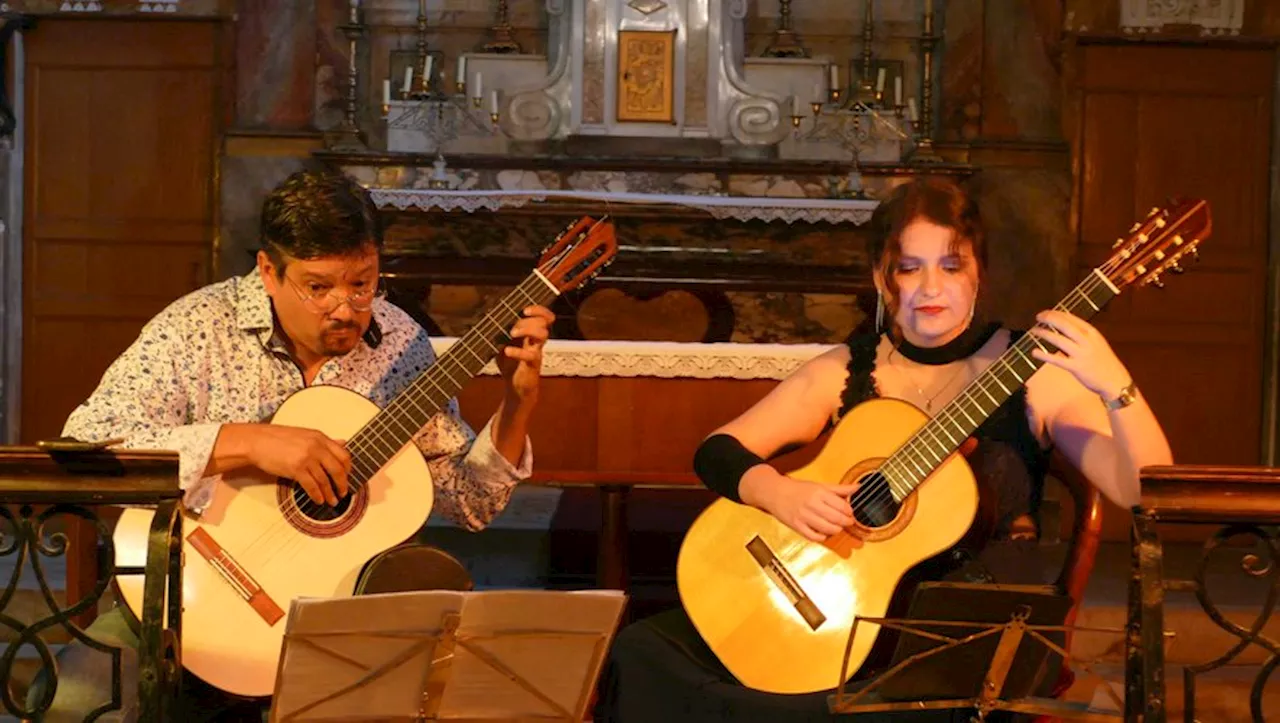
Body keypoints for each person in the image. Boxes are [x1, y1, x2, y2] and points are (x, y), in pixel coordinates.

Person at [593, 176, 1173, 722]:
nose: (931, 288)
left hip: (955, 636)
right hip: (835, 612)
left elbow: (1146, 490)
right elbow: (718, 452)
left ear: (979, 275)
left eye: (951, 266)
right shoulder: (850, 369)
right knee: (642, 651)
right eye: (909, 268)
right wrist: (780, 493)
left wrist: (1114, 383)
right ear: (881, 277)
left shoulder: (1034, 372)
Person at [30, 168, 554, 722]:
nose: (346, 308)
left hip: (333, 622)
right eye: (319, 286)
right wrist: (245, 443)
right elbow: (85, 447)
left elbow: (467, 502)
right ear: (268, 271)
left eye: (363, 283)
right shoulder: (198, 327)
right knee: (76, 708)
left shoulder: (399, 342)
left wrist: (518, 403)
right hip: (180, 598)